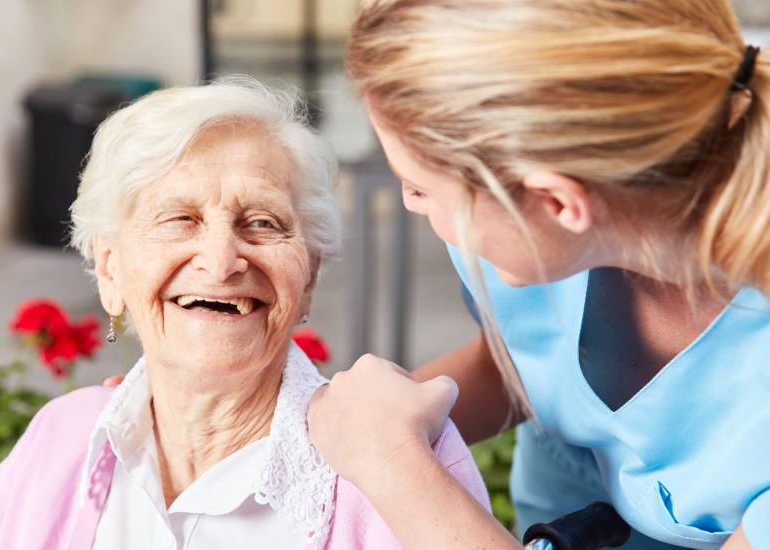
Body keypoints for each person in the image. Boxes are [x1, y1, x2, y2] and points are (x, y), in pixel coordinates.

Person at [0, 78, 489, 550]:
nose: (223, 261)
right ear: (110, 272)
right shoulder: (64, 437)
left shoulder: (404, 462)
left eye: (264, 223)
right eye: (179, 219)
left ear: (309, 276)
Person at [307, 1, 769, 549]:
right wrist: (353, 429)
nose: (410, 204)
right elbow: (520, 362)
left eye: (420, 188)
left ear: (554, 202)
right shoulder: (536, 249)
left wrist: (391, 461)